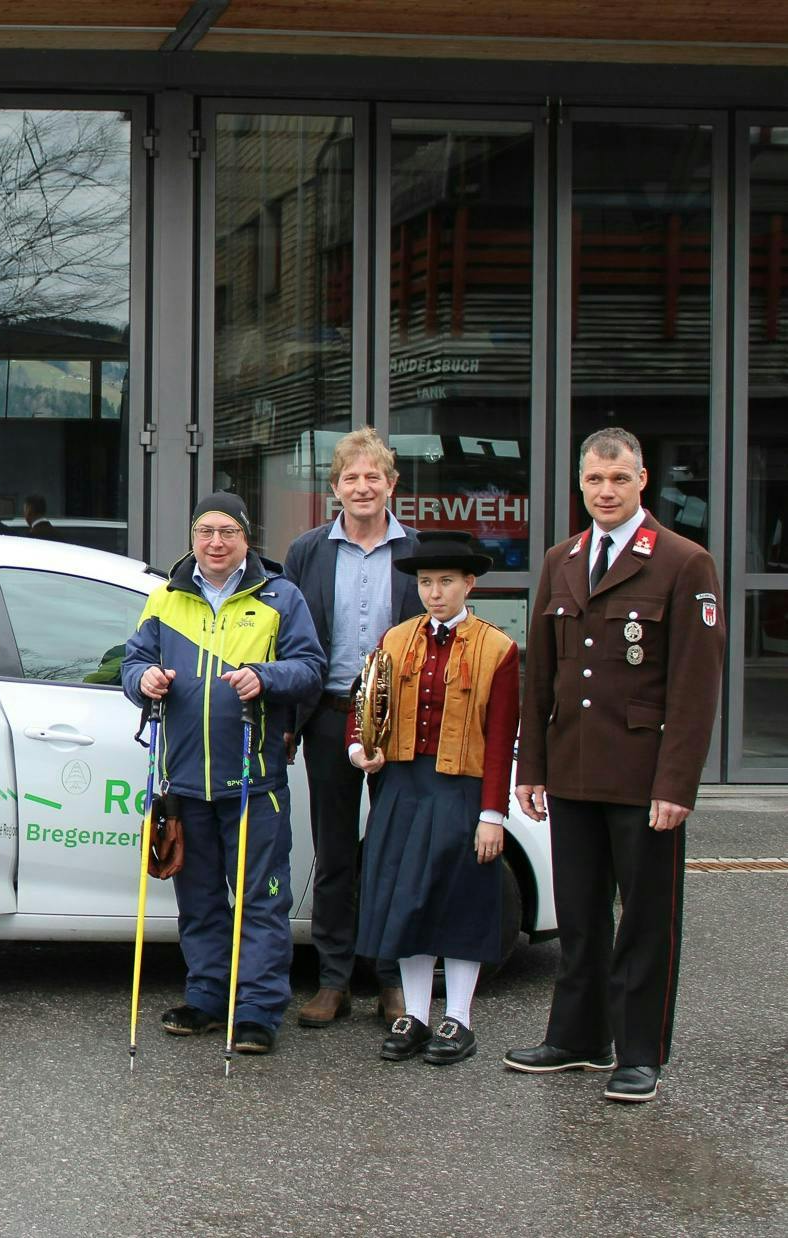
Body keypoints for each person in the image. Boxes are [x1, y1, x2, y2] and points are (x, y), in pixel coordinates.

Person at [509, 428, 725, 1104]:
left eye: (619, 479)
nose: (606, 491)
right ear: (581, 485)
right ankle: (577, 1038)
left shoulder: (684, 563)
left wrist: (676, 783)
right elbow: (540, 676)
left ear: (641, 483)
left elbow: (696, 687)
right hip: (571, 769)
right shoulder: (562, 559)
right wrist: (532, 768)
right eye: (595, 481)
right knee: (579, 914)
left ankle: (638, 1052)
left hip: (641, 777)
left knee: (645, 920)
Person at [121, 492, 326, 1055]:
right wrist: (144, 680)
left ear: (246, 540)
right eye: (206, 531)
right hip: (185, 780)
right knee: (201, 899)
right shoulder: (165, 597)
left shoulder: (281, 596)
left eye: (227, 532)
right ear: (192, 538)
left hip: (253, 778)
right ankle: (208, 997)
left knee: (261, 900)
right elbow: (132, 661)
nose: (216, 542)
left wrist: (265, 677)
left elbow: (311, 669)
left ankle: (258, 1010)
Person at [348, 530, 520, 1066]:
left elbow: (501, 738)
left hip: (462, 789)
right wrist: (360, 749)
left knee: (460, 904)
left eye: (446, 581)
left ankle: (460, 1020)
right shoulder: (395, 640)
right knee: (409, 903)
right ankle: (417, 1016)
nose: (435, 592)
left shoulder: (499, 649)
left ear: (469, 584)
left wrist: (493, 813)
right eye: (426, 582)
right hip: (403, 786)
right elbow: (364, 704)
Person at [281, 427, 422, 1028]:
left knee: (393, 852)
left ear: (391, 484)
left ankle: (391, 980)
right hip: (329, 719)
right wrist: (287, 722)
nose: (362, 488)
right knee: (335, 852)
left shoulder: (418, 551)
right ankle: (334, 979)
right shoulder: (307, 552)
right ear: (334, 487)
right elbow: (285, 639)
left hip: (399, 725)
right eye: (350, 478)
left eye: (373, 477)